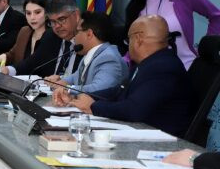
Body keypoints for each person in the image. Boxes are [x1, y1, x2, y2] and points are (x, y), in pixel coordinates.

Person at [58, 16, 194, 136]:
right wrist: (79, 98)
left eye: (128, 41)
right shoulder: (149, 62)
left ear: (138, 39)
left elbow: (133, 109)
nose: (128, 47)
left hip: (159, 144)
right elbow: (118, 91)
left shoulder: (163, 67)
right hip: (140, 132)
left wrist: (93, 107)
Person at [124, 0, 220, 69]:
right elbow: (133, 43)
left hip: (185, 68)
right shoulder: (135, 5)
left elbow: (216, 17)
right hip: (148, 71)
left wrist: (205, 48)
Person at [5, 0, 83, 78]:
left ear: (76, 15)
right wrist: (8, 70)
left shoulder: (87, 41)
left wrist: (65, 83)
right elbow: (31, 63)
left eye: (61, 19)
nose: (57, 26)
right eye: (53, 21)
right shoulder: (50, 36)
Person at [50, 12, 127, 100]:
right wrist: (60, 81)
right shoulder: (91, 54)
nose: (74, 37)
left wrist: (67, 89)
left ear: (89, 34)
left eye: (77, 32)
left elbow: (99, 89)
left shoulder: (109, 58)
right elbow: (76, 77)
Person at [0, 0, 49, 67]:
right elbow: (13, 53)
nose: (32, 17)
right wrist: (5, 56)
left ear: (47, 13)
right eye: (28, 13)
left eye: (37, 12)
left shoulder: (52, 35)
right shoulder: (25, 31)